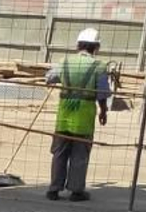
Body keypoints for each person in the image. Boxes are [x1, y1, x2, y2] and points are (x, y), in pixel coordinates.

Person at [45, 26, 111, 201]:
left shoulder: (65, 61)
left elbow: (49, 78)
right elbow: (102, 94)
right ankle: (76, 191)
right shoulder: (99, 66)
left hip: (64, 117)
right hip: (84, 118)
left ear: (78, 45)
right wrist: (103, 111)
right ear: (96, 47)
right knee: (80, 155)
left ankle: (54, 189)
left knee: (59, 153)